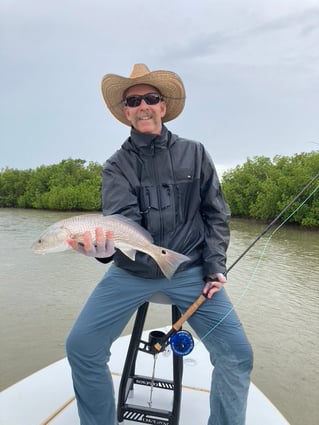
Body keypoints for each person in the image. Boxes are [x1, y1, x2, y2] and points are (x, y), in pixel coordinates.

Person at [66, 63, 253, 425]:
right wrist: (102, 251)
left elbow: (217, 215)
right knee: (81, 347)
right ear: (125, 112)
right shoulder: (115, 166)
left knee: (237, 353)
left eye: (150, 98)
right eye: (133, 101)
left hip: (191, 270)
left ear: (163, 106)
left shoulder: (195, 153)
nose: (143, 106)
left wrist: (215, 265)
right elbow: (121, 224)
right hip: (132, 272)